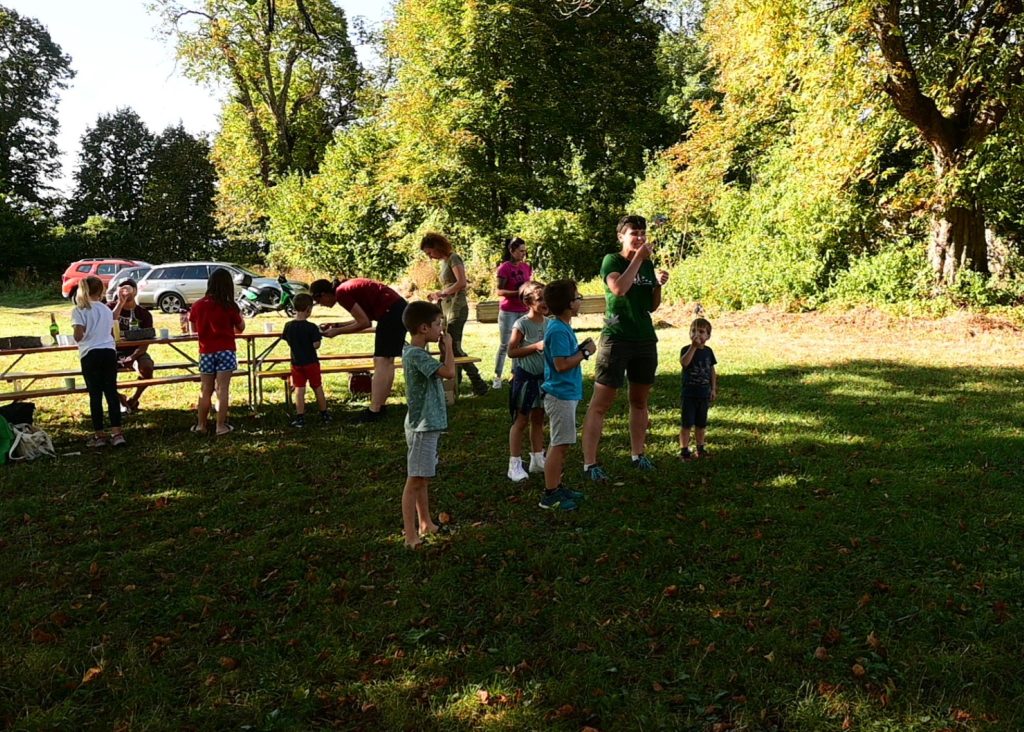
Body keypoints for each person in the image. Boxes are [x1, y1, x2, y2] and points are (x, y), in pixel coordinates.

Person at [580, 215, 669, 482]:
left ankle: (637, 455)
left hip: (644, 338)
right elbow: (618, 289)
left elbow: (651, 306)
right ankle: (590, 463)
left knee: (639, 401)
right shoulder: (613, 260)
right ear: (621, 236)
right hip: (617, 338)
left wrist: (658, 284)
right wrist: (639, 259)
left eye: (643, 232)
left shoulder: (646, 263)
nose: (640, 238)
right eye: (634, 233)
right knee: (601, 403)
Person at [309, 277, 408, 423]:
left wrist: (338, 332)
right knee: (386, 361)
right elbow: (364, 317)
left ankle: (374, 410)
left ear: (323, 294)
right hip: (396, 310)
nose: (322, 305)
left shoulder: (341, 293)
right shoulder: (345, 288)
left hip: (391, 312)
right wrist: (336, 325)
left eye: (319, 302)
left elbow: (364, 323)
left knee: (381, 361)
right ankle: (380, 405)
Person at [400, 300, 455, 549]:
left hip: (426, 423)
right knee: (415, 479)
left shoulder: (419, 353)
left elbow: (441, 369)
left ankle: (426, 523)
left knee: (423, 477)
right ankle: (410, 535)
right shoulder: (416, 354)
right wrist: (451, 348)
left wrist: (443, 351)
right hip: (422, 425)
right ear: (424, 328)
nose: (440, 329)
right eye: (437, 324)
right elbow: (449, 373)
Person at [539, 280, 597, 510]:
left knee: (562, 442)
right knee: (559, 444)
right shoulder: (558, 330)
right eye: (577, 297)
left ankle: (557, 485)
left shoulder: (562, 327)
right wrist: (584, 352)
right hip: (560, 395)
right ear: (568, 304)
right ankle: (550, 494)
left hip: (566, 394)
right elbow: (561, 364)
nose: (580, 300)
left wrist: (579, 349)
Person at [420, 232, 489, 397]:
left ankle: (478, 382)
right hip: (447, 308)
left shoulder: (454, 258)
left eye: (430, 253)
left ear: (437, 247)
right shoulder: (444, 262)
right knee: (446, 346)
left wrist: (441, 293)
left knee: (453, 347)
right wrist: (438, 295)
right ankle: (453, 386)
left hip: (457, 308)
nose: (430, 257)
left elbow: (461, 282)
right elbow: (449, 286)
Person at [72, 276, 127, 447]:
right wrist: (121, 303)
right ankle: (117, 433)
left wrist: (77, 335)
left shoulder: (79, 310)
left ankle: (99, 434)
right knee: (111, 392)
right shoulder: (103, 308)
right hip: (109, 352)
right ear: (101, 292)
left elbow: (78, 335)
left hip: (90, 353)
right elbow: (112, 319)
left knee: (95, 395)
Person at [189, 267, 245, 435]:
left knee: (205, 389)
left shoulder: (198, 305)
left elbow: (193, 330)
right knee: (222, 389)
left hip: (206, 351)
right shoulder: (230, 306)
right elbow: (240, 328)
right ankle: (221, 426)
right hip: (226, 351)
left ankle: (201, 425)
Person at [505, 281, 548, 482]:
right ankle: (514, 464)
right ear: (528, 302)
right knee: (521, 421)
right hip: (525, 380)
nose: (545, 302)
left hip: (543, 380)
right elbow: (511, 351)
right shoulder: (521, 324)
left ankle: (538, 459)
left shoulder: (549, 322)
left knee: (538, 419)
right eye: (540, 299)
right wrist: (535, 346)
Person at [282, 293, 330, 428]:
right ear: (309, 309)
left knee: (299, 389)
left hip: (296, 362)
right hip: (311, 362)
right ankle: (324, 413)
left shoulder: (288, 326)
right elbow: (316, 345)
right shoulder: (311, 327)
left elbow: (287, 340)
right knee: (317, 387)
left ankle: (300, 417)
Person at [107, 279, 155, 413]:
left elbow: (145, 342)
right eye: (121, 289)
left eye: (128, 289)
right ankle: (120, 399)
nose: (125, 292)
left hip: (135, 350)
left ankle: (134, 398)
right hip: (111, 350)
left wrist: (133, 356)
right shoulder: (109, 308)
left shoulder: (143, 314)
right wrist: (119, 304)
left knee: (147, 367)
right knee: (102, 373)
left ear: (135, 291)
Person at [493, 236, 533, 389]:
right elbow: (499, 291)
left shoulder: (526, 267)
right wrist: (518, 293)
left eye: (525, 251)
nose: (523, 254)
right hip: (508, 311)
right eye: (521, 251)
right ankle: (497, 376)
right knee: (505, 344)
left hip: (523, 309)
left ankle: (516, 374)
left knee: (520, 344)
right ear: (512, 251)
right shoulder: (504, 268)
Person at [679, 317, 717, 460]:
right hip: (689, 394)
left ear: (708, 336)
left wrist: (713, 388)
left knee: (701, 423)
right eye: (694, 330)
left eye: (701, 332)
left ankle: (700, 448)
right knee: (686, 423)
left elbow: (712, 370)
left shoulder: (708, 351)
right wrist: (693, 347)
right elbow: (684, 363)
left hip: (703, 393)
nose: (697, 334)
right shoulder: (686, 349)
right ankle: (684, 450)